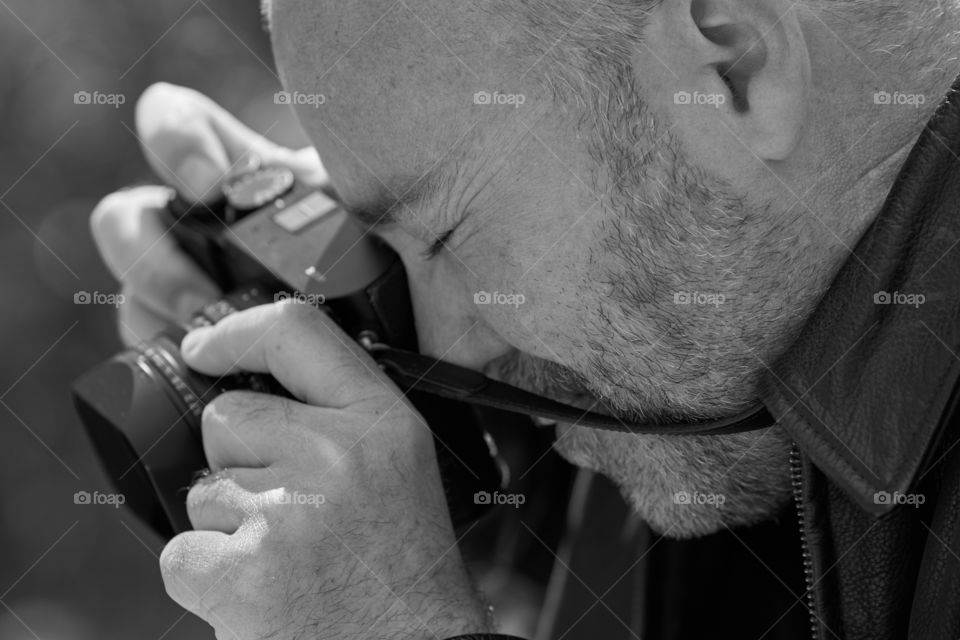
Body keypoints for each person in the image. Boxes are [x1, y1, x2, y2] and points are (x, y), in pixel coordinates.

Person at [89, 0, 960, 638]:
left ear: (733, 74)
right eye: (381, 240)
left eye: (445, 231)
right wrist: (439, 478)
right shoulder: (717, 353)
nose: (444, 345)